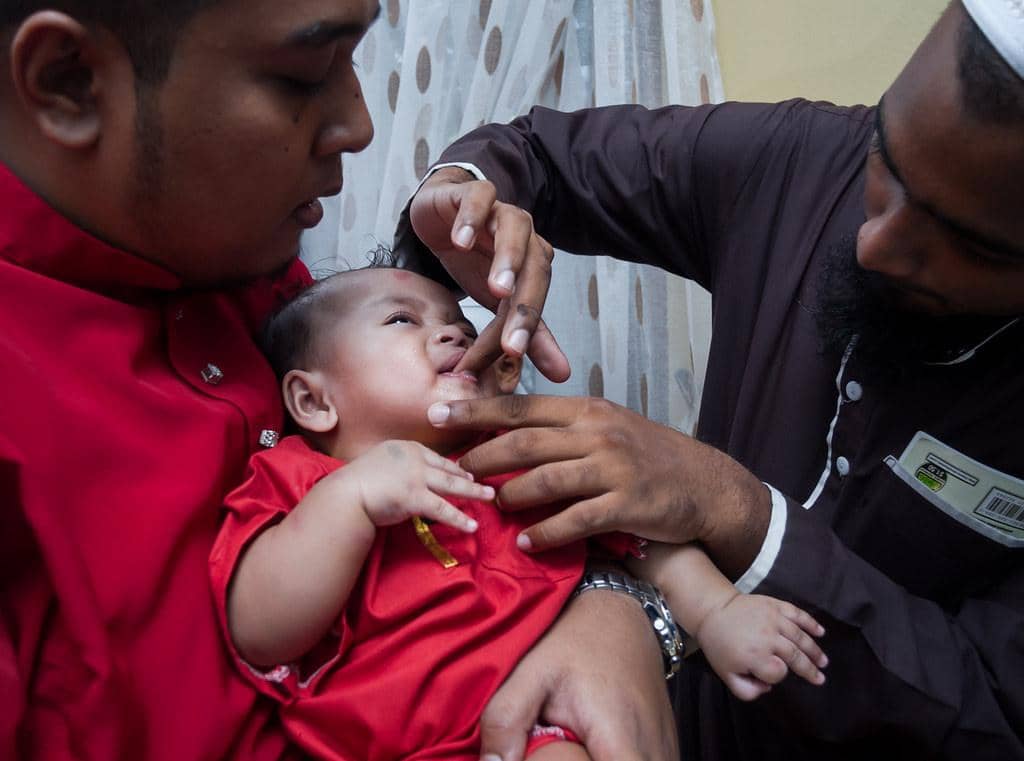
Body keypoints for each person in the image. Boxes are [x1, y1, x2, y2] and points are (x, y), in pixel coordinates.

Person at [0, 2, 682, 760]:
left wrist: (610, 612)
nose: (359, 123)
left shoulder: (256, 278)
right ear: (69, 81)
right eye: (305, 72)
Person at [401, 1, 1024, 759]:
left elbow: (994, 715)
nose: (874, 242)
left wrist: (741, 512)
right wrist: (469, 200)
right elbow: (538, 152)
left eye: (966, 243)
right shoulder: (802, 159)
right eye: (885, 162)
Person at [210, 263, 828, 761]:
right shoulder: (302, 481)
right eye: (402, 319)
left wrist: (719, 612)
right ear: (313, 401)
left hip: (542, 724)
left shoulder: (512, 458)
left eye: (458, 321)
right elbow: (260, 631)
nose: (455, 334)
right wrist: (351, 500)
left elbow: (641, 534)